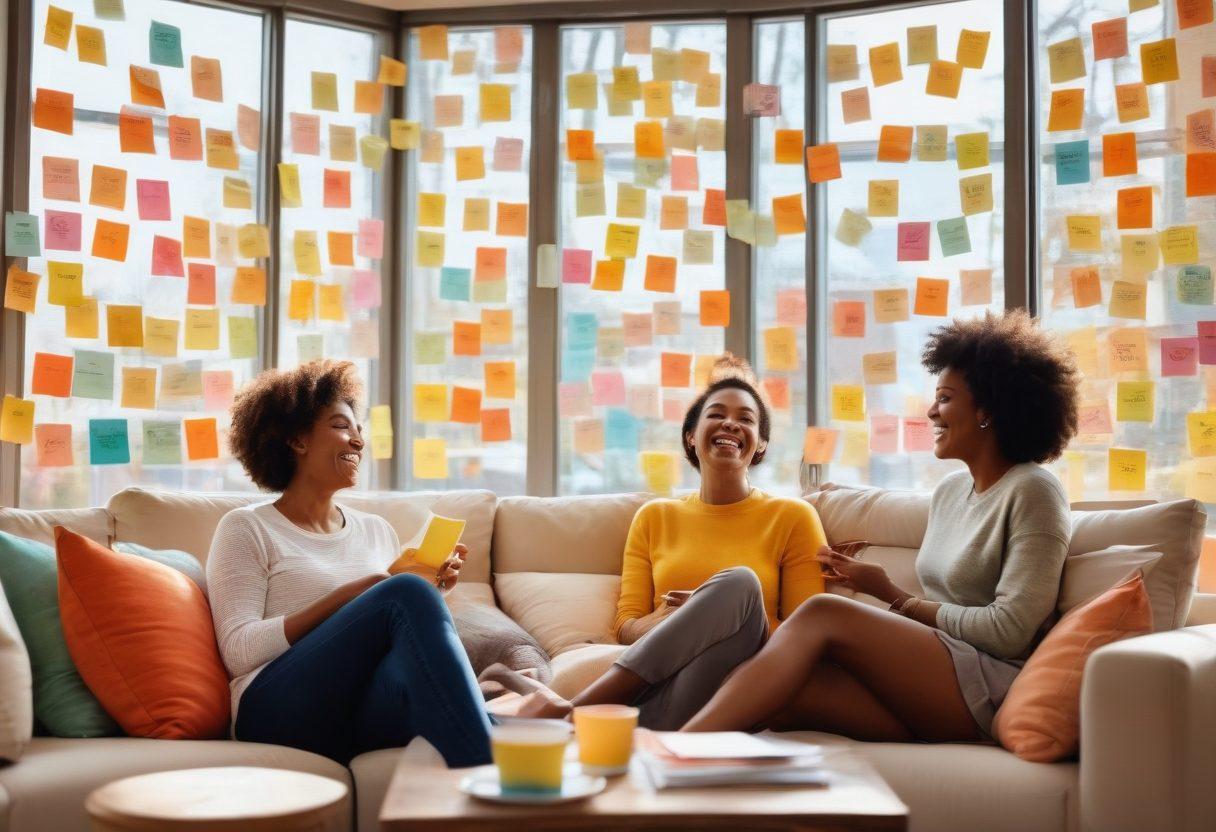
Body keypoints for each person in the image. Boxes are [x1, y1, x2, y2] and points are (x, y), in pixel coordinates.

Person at [682, 311, 1080, 743]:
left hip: (990, 688)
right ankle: (677, 768)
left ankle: (668, 753)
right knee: (789, 689)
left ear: (986, 409)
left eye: (945, 398)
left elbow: (1008, 632)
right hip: (933, 684)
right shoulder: (950, 492)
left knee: (823, 612)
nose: (931, 411)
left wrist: (893, 595)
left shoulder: (1035, 492)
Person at [508, 355, 829, 729]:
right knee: (732, 589)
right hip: (676, 686)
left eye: (746, 418)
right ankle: (626, 726)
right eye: (716, 414)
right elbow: (625, 625)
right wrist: (667, 622)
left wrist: (712, 613)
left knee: (739, 583)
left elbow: (805, 635)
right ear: (691, 437)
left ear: (760, 445)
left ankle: (575, 711)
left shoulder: (792, 517)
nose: (730, 422)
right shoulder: (655, 516)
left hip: (747, 677)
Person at [206, 360, 492, 766]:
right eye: (342, 426)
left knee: (415, 641)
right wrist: (357, 593)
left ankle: (503, 732)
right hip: (276, 708)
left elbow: (396, 642)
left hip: (361, 709)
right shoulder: (246, 527)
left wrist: (432, 591)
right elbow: (238, 650)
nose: (358, 440)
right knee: (401, 592)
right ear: (297, 440)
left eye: (359, 429)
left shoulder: (375, 530)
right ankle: (489, 767)